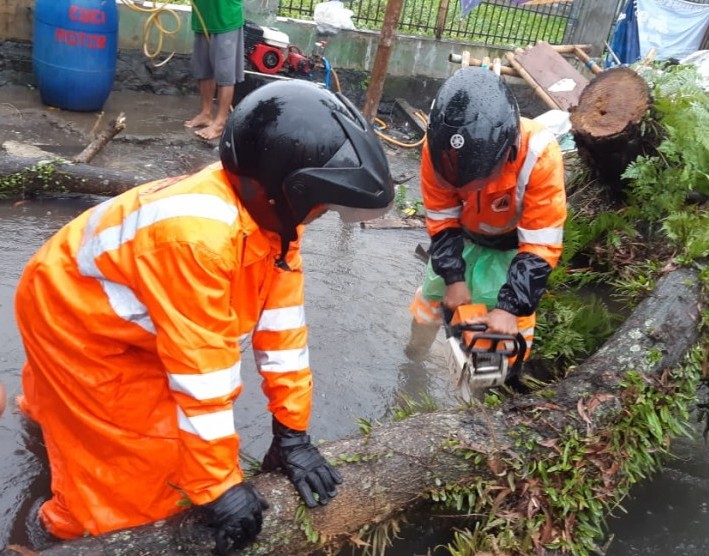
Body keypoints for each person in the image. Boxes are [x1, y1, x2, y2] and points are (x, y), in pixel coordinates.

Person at [15, 80, 394, 553]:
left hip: (110, 293)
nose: (320, 216)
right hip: (73, 314)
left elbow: (283, 335)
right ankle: (57, 534)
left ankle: (50, 416)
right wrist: (219, 487)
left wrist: (292, 431)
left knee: (123, 427)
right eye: (321, 205)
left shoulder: (273, 227)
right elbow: (203, 377)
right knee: (130, 487)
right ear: (283, 187)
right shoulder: (199, 241)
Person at [407, 67, 567, 369]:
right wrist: (453, 278)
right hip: (461, 237)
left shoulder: (539, 154)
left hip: (512, 248)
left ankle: (497, 389)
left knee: (507, 330)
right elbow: (441, 219)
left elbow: (541, 245)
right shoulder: (438, 148)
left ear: (507, 149)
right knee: (431, 300)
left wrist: (510, 306)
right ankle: (414, 357)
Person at [184, 0, 245, 141]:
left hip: (225, 18)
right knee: (204, 70)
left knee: (225, 74)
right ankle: (206, 113)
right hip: (203, 18)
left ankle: (220, 122)